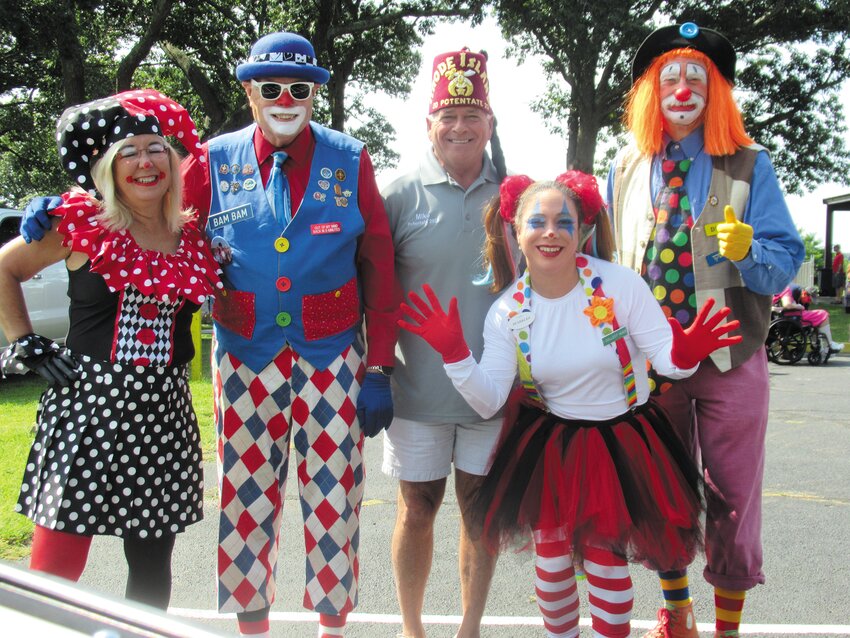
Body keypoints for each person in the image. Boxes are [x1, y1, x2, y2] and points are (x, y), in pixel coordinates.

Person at [21, 32, 398, 638]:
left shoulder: (349, 157)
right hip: (245, 356)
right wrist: (72, 204)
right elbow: (151, 204)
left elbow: (379, 262)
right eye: (270, 87)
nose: (284, 98)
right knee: (245, 500)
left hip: (332, 355)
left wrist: (379, 365)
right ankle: (253, 629)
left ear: (314, 95)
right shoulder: (213, 159)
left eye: (298, 88)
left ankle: (333, 628)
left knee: (335, 500)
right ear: (249, 93)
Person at [398, 172, 741, 638]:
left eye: (565, 222)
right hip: (553, 447)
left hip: (622, 443)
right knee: (553, 572)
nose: (551, 232)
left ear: (582, 231)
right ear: (516, 233)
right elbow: (488, 401)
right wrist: (456, 355)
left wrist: (684, 352)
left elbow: (667, 361)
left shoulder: (620, 284)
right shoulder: (508, 309)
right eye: (536, 222)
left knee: (606, 566)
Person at [607, 22, 805, 638]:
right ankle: (677, 612)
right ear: (651, 92)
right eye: (670, 76)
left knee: (733, 497)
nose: (683, 87)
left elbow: (783, 263)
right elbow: (612, 261)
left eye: (697, 76)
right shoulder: (628, 165)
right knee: (661, 488)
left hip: (730, 356)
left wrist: (749, 250)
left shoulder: (751, 164)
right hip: (654, 359)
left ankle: (726, 628)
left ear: (715, 90)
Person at [0, 90, 222, 609]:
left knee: (150, 564)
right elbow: (5, 267)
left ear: (173, 162)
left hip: (163, 416)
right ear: (107, 166)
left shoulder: (193, 238)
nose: (145, 162)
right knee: (57, 562)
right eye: (128, 152)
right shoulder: (80, 223)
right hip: (87, 412)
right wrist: (24, 341)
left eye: (156, 149)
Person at [381, 47, 507, 638]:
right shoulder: (397, 194)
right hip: (417, 388)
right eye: (448, 115)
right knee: (418, 510)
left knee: (481, 516)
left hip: (493, 389)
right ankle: (412, 629)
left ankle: (470, 629)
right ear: (428, 123)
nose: (460, 126)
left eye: (472, 115)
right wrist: (372, 368)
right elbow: (370, 286)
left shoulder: (515, 198)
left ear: (490, 124)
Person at [773, 284, 843, 352]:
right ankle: (828, 345)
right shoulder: (791, 290)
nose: (809, 301)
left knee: (815, 320)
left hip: (791, 317)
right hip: (789, 318)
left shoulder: (802, 298)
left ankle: (823, 344)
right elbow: (787, 305)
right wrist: (799, 306)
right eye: (809, 299)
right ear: (804, 293)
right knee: (823, 314)